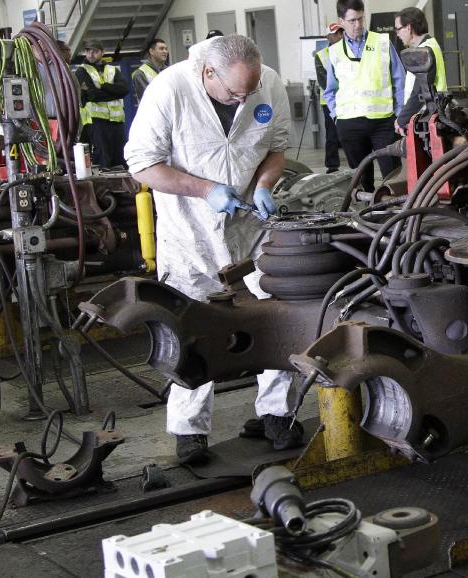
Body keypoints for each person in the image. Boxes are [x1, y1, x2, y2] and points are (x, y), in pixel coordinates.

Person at [123, 35, 301, 465]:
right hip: (190, 233)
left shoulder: (266, 83)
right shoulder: (168, 89)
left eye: (249, 92)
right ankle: (189, 431)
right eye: (234, 93)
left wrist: (263, 184)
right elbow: (142, 163)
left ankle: (277, 413)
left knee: (277, 313)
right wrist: (204, 190)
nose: (243, 99)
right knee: (189, 327)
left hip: (251, 227)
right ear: (208, 73)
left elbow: (276, 148)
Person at [324, 0, 406, 192]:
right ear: (341, 21)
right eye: (352, 20)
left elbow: (399, 81)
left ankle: (397, 217)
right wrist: (336, 116)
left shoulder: (382, 42)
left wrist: (400, 116)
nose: (358, 25)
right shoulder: (334, 52)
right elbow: (330, 90)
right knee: (361, 181)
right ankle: (367, 217)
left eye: (361, 19)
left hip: (383, 123)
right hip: (349, 126)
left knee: (392, 178)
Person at [394, 6, 447, 133]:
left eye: (398, 29)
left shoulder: (423, 51)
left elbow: (420, 92)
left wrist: (402, 120)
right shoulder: (432, 44)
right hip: (434, 115)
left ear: (408, 27)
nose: (397, 34)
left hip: (426, 118)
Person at [75, 39, 128, 168]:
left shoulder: (112, 69)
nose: (91, 54)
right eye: (88, 51)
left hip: (116, 121)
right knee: (103, 160)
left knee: (121, 159)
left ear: (102, 52)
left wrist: (102, 86)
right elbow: (92, 95)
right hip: (96, 121)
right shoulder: (82, 71)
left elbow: (124, 89)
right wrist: (113, 92)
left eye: (95, 51)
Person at [315, 24, 344, 173]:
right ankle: (332, 166)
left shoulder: (348, 51)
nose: (339, 36)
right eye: (335, 34)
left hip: (349, 100)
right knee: (332, 135)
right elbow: (324, 81)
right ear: (328, 37)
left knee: (350, 133)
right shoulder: (321, 55)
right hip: (329, 102)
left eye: (340, 33)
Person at [132, 38, 169, 105]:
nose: (165, 51)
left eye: (166, 49)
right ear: (151, 51)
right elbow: (147, 98)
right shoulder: (141, 73)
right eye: (161, 49)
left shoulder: (169, 70)